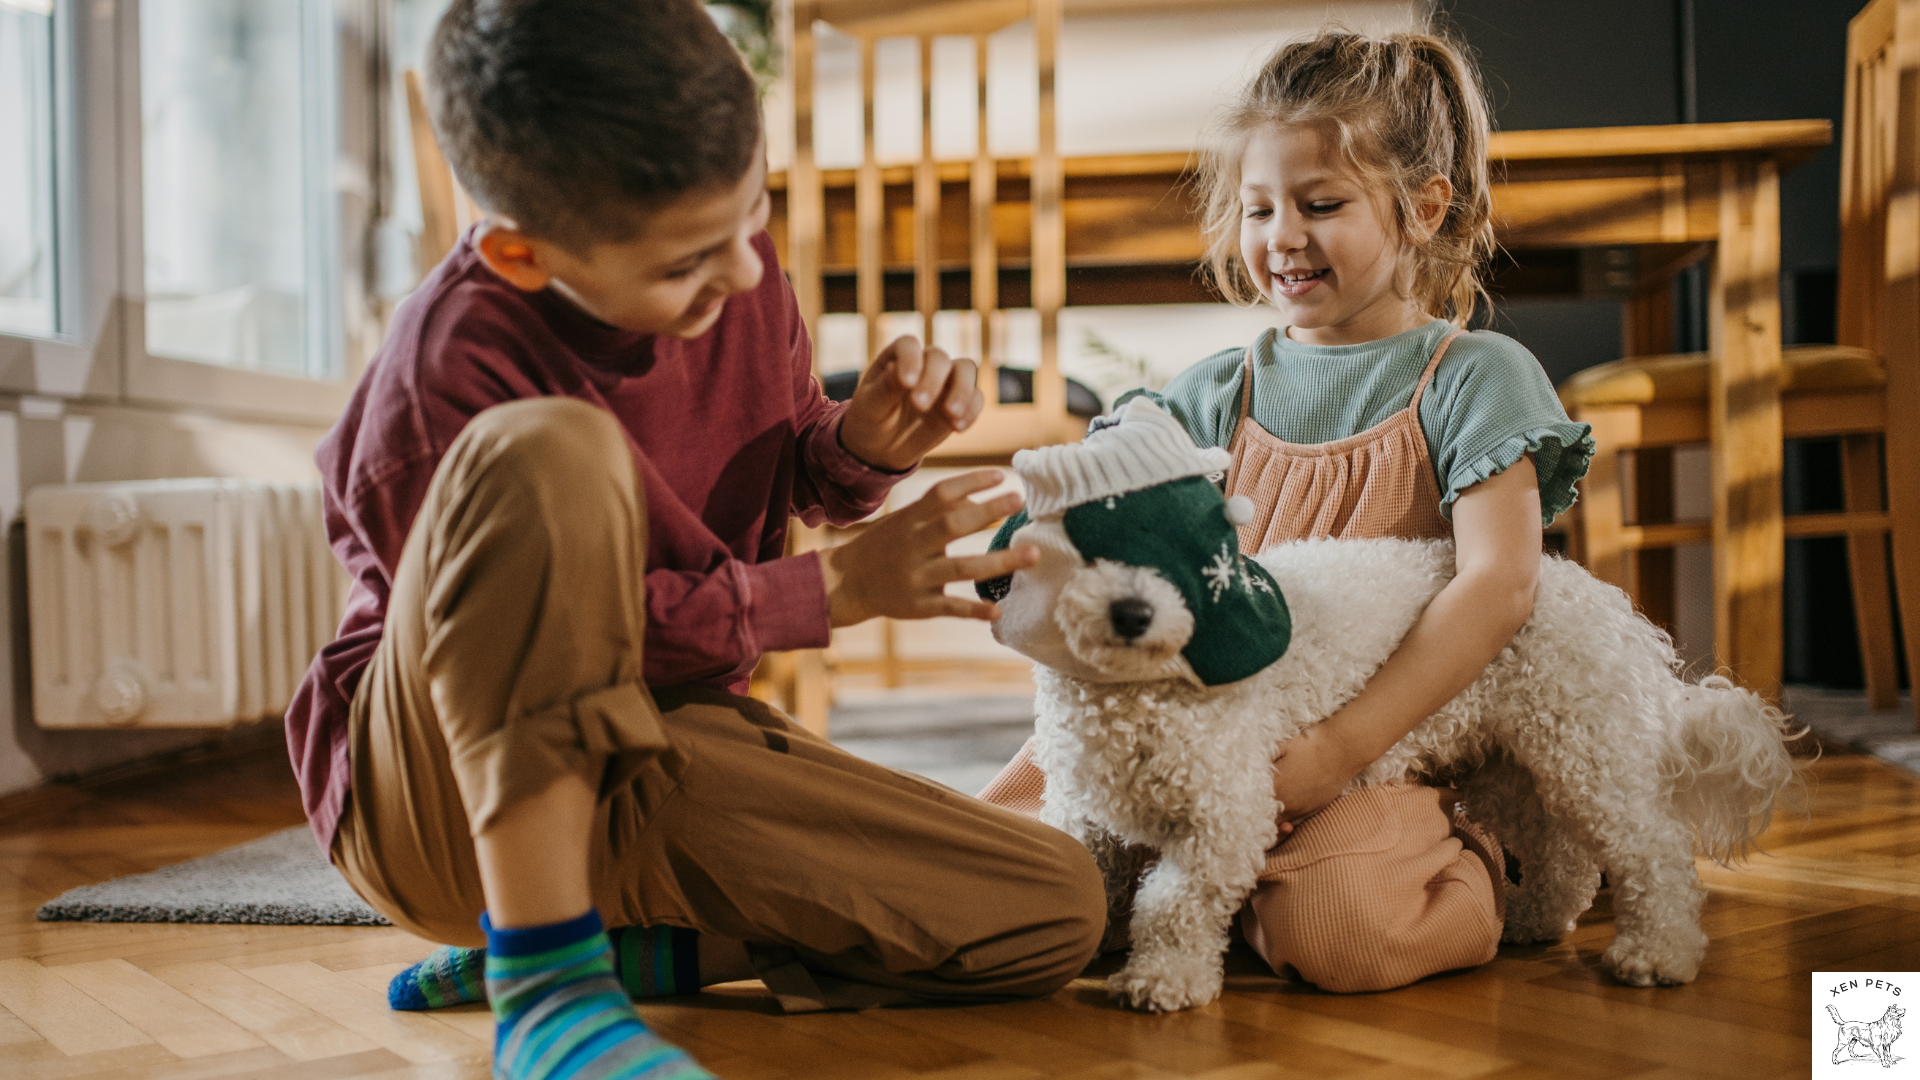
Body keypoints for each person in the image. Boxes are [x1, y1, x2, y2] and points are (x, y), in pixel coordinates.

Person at [284, 2, 1106, 1077]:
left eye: (750, 216)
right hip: (443, 796)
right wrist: (832, 594)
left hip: (662, 733)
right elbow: (531, 642)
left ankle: (625, 953)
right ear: (521, 254)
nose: (744, 276)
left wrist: (860, 444)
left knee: (1051, 908)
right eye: (686, 263)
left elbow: (790, 466)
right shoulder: (446, 368)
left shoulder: (737, 268)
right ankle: (545, 981)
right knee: (553, 449)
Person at [979, 29, 1595, 994]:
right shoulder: (1216, 389)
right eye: (1260, 209)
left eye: (1321, 205)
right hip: (1200, 739)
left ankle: (1476, 864)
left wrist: (1334, 752)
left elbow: (1501, 585)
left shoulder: (1476, 376)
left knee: (1338, 924)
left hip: (1383, 755)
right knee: (1001, 871)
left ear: (1422, 208)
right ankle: (1196, 890)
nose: (1282, 237)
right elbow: (1107, 507)